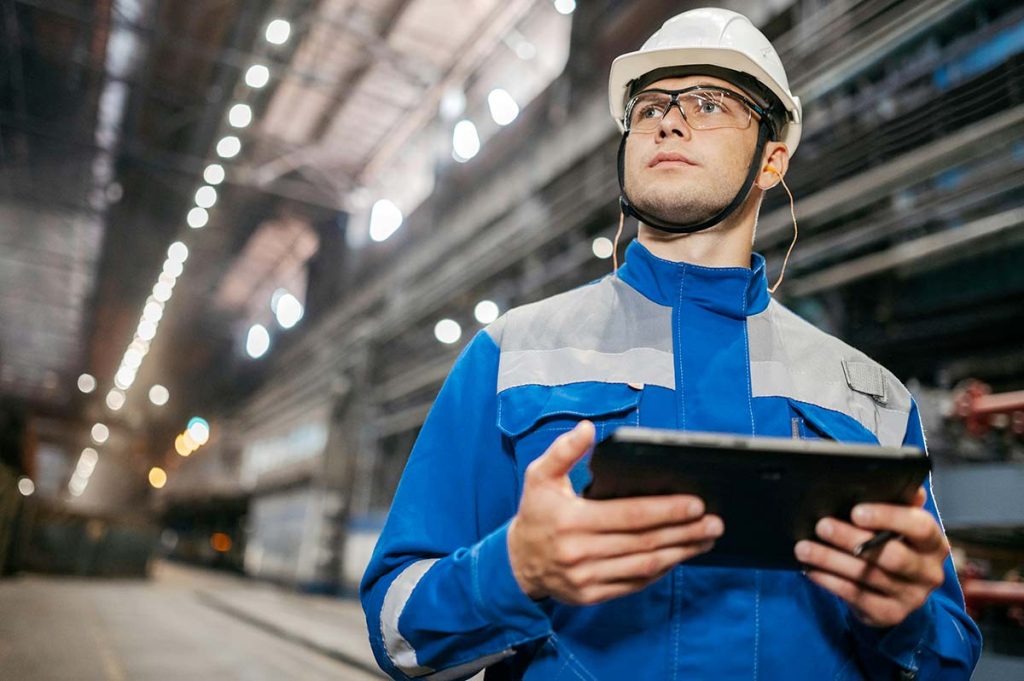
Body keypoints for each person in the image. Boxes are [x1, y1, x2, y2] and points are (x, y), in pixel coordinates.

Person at [360, 8, 982, 680]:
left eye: (709, 102)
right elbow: (397, 630)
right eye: (650, 105)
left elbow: (947, 654)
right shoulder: (512, 354)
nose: (668, 119)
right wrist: (511, 570)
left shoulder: (870, 397)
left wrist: (906, 615)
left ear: (773, 159)